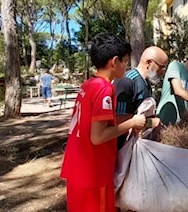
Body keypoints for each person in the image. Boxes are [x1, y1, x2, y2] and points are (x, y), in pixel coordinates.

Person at [60, 33, 147, 212]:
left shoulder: (88, 85)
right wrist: (133, 122)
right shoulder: (104, 89)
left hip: (77, 168)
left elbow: (94, 123)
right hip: (93, 172)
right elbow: (98, 137)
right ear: (114, 61)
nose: (126, 66)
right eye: (125, 61)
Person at [114, 46, 169, 149]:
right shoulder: (127, 82)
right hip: (120, 148)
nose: (163, 71)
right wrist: (149, 122)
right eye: (161, 66)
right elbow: (117, 119)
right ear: (149, 63)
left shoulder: (146, 84)